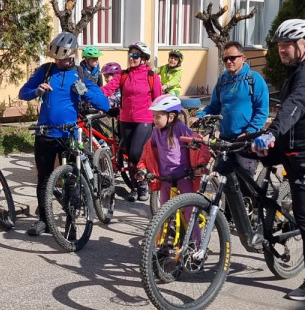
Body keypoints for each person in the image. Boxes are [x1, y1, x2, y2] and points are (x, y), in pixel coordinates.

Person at [251, 18, 305, 301]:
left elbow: (297, 104)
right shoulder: (296, 71)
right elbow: (286, 111)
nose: (282, 49)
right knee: (237, 148)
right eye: (279, 45)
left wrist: (271, 133)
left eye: (288, 43)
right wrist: (260, 136)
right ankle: (255, 210)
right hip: (288, 146)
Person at [18, 32, 110, 237]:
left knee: (70, 180)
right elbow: (22, 92)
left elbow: (104, 104)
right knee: (43, 179)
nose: (59, 62)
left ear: (73, 55)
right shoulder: (46, 70)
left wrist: (85, 91)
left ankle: (71, 223)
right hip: (44, 133)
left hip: (68, 135)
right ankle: (43, 220)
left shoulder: (80, 73)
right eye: (57, 59)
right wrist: (36, 91)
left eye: (64, 59)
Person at [197, 40, 269, 180]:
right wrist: (200, 116)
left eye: (232, 58)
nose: (228, 61)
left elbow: (262, 111)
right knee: (226, 181)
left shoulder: (254, 79)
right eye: (225, 59)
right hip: (226, 140)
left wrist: (249, 132)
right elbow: (214, 107)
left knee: (245, 183)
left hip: (246, 140)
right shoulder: (222, 81)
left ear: (243, 58)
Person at [102, 41, 162, 202]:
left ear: (144, 58)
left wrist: (160, 121)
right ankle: (135, 188)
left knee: (136, 153)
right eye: (130, 54)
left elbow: (158, 100)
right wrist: (89, 94)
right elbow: (107, 89)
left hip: (144, 119)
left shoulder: (152, 76)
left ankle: (143, 183)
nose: (131, 58)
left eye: (135, 55)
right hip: (125, 119)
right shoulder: (123, 75)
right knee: (129, 155)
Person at [140, 94, 204, 207]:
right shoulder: (156, 131)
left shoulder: (180, 128)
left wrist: (200, 163)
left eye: (158, 116)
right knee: (164, 210)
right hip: (165, 177)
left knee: (188, 210)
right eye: (154, 116)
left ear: (170, 117)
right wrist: (143, 168)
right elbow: (148, 152)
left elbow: (196, 143)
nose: (154, 119)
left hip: (183, 176)